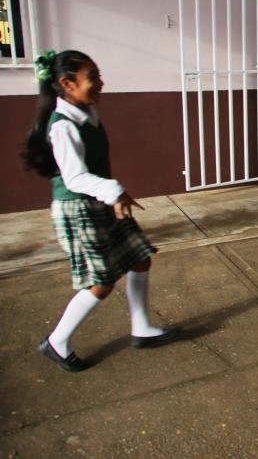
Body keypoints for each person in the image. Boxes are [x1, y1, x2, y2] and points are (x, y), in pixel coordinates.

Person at [21, 50, 179, 372]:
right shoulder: (62, 125)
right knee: (101, 281)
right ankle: (57, 342)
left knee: (139, 258)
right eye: (92, 77)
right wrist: (115, 191)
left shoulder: (86, 111)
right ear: (66, 84)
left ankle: (142, 328)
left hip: (100, 201)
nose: (101, 83)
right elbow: (75, 177)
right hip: (77, 209)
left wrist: (113, 195)